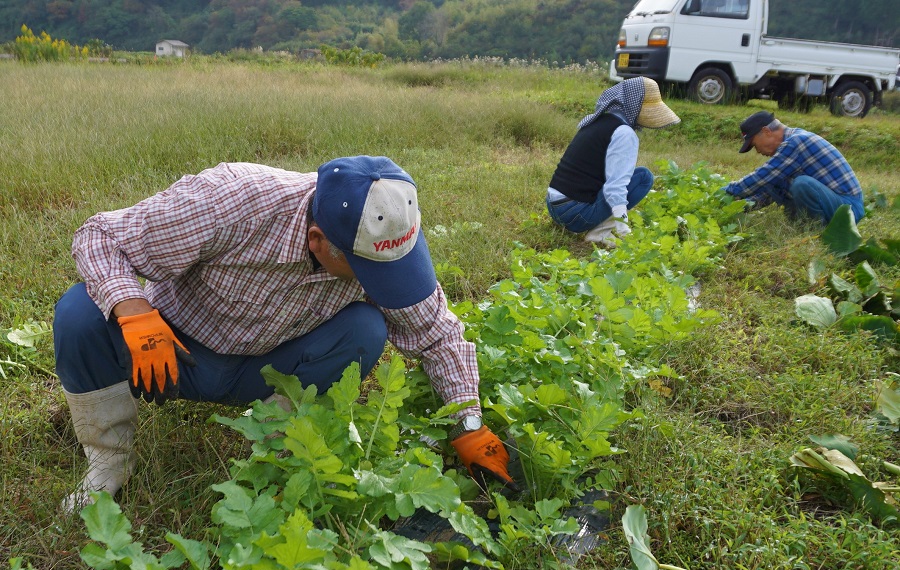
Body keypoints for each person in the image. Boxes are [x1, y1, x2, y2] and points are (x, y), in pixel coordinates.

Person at [53, 156, 517, 513]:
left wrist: (468, 425)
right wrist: (133, 311)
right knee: (80, 312)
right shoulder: (233, 200)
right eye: (363, 271)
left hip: (269, 370)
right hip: (172, 355)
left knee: (366, 327)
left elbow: (437, 334)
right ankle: (109, 461)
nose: (378, 285)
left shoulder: (385, 236)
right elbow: (100, 236)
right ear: (317, 240)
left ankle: (277, 452)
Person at [546, 76, 680, 248]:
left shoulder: (599, 120)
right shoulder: (624, 133)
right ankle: (599, 234)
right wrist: (625, 230)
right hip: (574, 214)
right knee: (643, 178)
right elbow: (615, 187)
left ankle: (597, 227)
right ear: (636, 105)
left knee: (638, 174)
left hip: (554, 206)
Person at [724, 111, 865, 225]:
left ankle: (815, 230)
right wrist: (732, 208)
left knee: (802, 184)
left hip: (848, 208)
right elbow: (767, 190)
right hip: (835, 203)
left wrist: (728, 190)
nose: (758, 151)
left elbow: (762, 176)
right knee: (779, 183)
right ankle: (804, 224)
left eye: (755, 145)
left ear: (766, 131)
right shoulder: (788, 150)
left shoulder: (797, 141)